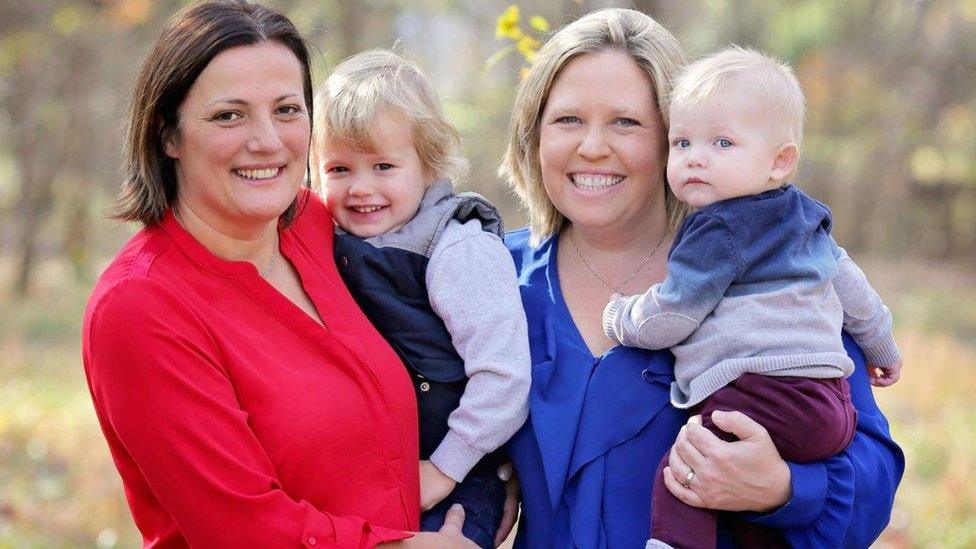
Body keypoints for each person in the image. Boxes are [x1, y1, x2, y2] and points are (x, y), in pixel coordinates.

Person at [498, 8, 904, 549]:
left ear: (675, 137)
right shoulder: (494, 275)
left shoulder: (767, 266)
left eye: (626, 122)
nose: (592, 146)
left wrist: (784, 489)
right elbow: (419, 437)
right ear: (534, 137)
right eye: (567, 120)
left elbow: (872, 469)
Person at [82, 1, 482, 546]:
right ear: (167, 135)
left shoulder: (323, 228)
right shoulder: (141, 307)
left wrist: (482, 478)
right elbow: (243, 529)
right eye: (230, 115)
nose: (267, 141)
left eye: (288, 110)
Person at [601, 46, 902, 549]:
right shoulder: (807, 219)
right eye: (682, 142)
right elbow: (857, 294)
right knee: (741, 511)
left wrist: (621, 317)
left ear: (780, 161)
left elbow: (673, 314)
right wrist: (883, 349)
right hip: (829, 405)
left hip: (765, 396)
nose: (695, 157)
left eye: (722, 142)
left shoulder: (718, 229)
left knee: (688, 466)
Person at [310, 49, 531, 548]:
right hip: (378, 475)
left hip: (455, 474)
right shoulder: (329, 241)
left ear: (428, 164)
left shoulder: (456, 251)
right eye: (339, 169)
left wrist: (446, 467)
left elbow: (504, 376)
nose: (360, 188)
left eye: (383, 166)